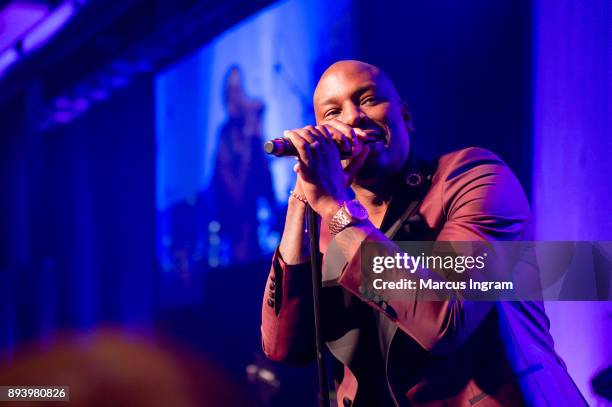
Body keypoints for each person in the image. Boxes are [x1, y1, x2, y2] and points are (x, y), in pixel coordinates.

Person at [260, 60, 586, 406]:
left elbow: (446, 319)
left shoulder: (472, 179)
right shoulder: (330, 225)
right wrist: (301, 198)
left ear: (405, 117)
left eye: (368, 100)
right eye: (333, 113)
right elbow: (283, 346)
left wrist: (337, 209)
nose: (353, 117)